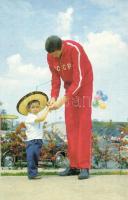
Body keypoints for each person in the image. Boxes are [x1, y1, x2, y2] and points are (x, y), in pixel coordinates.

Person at [45, 36, 93, 180]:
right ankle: (73, 166)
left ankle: (84, 167)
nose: (53, 57)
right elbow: (55, 79)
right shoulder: (50, 56)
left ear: (61, 47)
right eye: (51, 54)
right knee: (71, 125)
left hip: (83, 85)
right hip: (68, 87)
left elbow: (78, 80)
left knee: (82, 125)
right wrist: (53, 98)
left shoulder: (74, 49)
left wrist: (63, 100)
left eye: (55, 54)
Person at [17, 91, 49, 180]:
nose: (35, 109)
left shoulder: (36, 115)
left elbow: (42, 118)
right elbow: (42, 118)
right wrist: (48, 108)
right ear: (29, 109)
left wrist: (47, 107)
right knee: (31, 157)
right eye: (33, 107)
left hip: (38, 140)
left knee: (35, 157)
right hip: (32, 141)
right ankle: (32, 174)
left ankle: (34, 173)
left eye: (37, 107)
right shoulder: (30, 117)